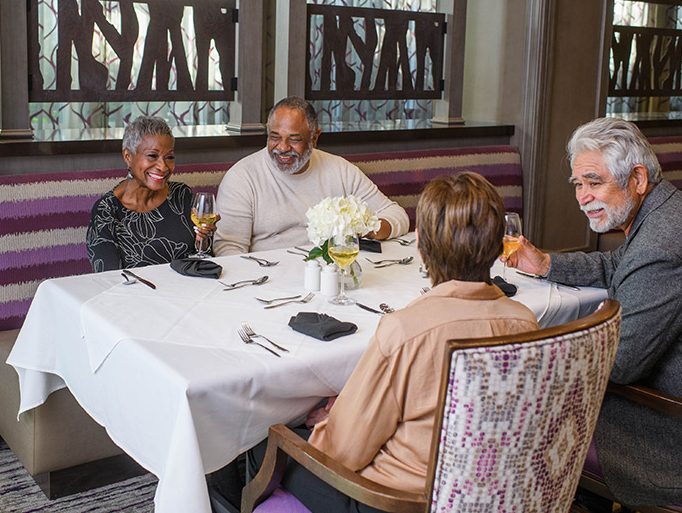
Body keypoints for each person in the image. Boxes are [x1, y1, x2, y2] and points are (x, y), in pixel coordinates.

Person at [248, 172, 538, 512]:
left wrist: (327, 421)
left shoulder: (405, 331)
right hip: (491, 494)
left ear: (420, 245)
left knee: (259, 443)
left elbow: (341, 453)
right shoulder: (525, 321)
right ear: (498, 244)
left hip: (393, 502)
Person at [503, 117, 682, 507]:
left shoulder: (660, 247)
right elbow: (618, 265)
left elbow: (620, 366)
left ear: (637, 178)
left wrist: (537, 351)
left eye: (594, 182)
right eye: (578, 185)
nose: (583, 197)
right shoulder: (665, 211)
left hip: (662, 434)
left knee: (518, 418)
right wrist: (547, 264)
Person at [214, 97, 409, 255]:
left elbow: (397, 216)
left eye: (294, 139)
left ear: (314, 138)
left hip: (331, 273)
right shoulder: (242, 178)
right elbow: (228, 250)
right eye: (274, 137)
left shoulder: (340, 170)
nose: (282, 148)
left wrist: (367, 228)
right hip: (268, 278)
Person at [86, 116, 217, 272]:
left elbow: (201, 258)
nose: (163, 166)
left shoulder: (181, 195)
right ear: (128, 156)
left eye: (169, 157)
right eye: (152, 156)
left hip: (188, 291)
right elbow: (108, 278)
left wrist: (203, 240)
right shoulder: (107, 211)